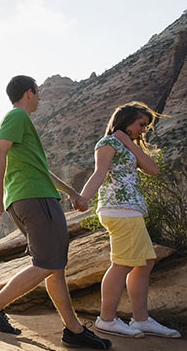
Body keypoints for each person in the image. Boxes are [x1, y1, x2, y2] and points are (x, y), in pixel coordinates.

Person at [0, 75, 111, 350]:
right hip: (34, 198)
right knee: (48, 264)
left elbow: (43, 171)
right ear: (29, 92)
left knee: (55, 267)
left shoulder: (20, 122)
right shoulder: (17, 116)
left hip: (32, 195)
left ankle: (73, 330)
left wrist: (71, 192)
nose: (40, 97)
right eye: (38, 92)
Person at [77, 102, 180, 338]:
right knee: (122, 264)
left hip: (130, 210)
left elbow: (152, 170)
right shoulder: (107, 143)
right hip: (118, 210)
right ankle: (107, 319)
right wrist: (83, 198)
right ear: (125, 121)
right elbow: (99, 173)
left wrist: (129, 143)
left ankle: (140, 319)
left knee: (144, 263)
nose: (143, 130)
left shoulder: (127, 145)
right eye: (141, 124)